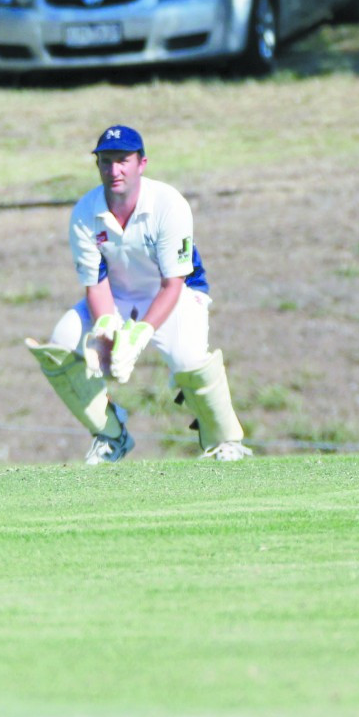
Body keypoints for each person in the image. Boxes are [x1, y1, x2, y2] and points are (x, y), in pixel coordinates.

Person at [26, 125, 250, 464]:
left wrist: (140, 334)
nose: (114, 170)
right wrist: (105, 327)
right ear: (97, 165)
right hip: (116, 297)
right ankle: (112, 435)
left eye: (123, 161)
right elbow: (96, 281)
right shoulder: (85, 213)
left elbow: (172, 282)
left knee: (189, 360)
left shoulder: (169, 205)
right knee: (60, 344)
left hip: (177, 294)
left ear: (141, 163)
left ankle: (223, 441)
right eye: (106, 161)